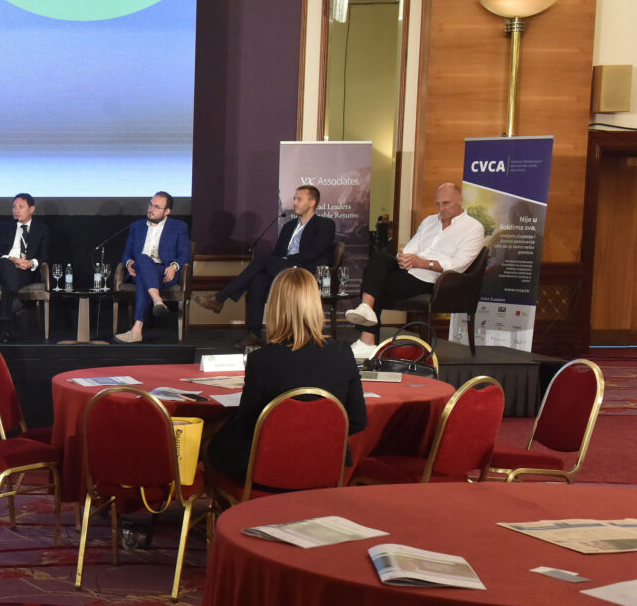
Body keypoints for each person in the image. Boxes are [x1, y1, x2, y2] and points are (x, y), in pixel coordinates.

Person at [207, 267, 367, 487]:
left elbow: (248, 425)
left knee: (213, 444)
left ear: (274, 307)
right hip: (325, 466)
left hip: (270, 467)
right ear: (315, 305)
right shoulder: (343, 353)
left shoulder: (261, 360)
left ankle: (220, 504)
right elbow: (358, 421)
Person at [345, 182, 486, 360]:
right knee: (379, 257)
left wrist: (422, 263)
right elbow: (410, 248)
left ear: (460, 199)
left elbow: (459, 265)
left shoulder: (473, 228)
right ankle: (366, 310)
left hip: (432, 279)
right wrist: (404, 257)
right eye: (438, 204)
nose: (441, 208)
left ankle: (367, 339)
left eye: (446, 203)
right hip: (408, 268)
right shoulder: (429, 221)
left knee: (376, 283)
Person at [196, 185, 335, 347]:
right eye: (294, 199)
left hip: (307, 271)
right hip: (286, 268)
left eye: (299, 199)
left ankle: (220, 298)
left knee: (262, 260)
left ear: (312, 203)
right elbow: (277, 253)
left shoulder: (325, 224)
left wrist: (284, 260)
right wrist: (280, 261)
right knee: (259, 279)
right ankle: (254, 334)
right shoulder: (289, 227)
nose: (295, 203)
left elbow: (314, 253)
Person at [115, 191, 192, 344]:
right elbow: (126, 254)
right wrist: (129, 262)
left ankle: (137, 331)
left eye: (157, 207)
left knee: (143, 277)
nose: (151, 209)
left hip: (164, 271)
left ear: (167, 211)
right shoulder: (136, 227)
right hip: (139, 267)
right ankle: (157, 300)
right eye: (150, 204)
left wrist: (174, 266)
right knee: (143, 259)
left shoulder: (178, 227)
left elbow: (185, 254)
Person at [0, 193, 50, 343]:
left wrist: (30, 263)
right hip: (1, 269)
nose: (16, 210)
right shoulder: (3, 228)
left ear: (31, 209)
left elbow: (44, 255)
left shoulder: (42, 229)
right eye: (14, 207)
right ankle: (14, 303)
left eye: (21, 207)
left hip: (25, 271)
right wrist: (11, 259)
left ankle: (5, 328)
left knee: (8, 282)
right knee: (6, 264)